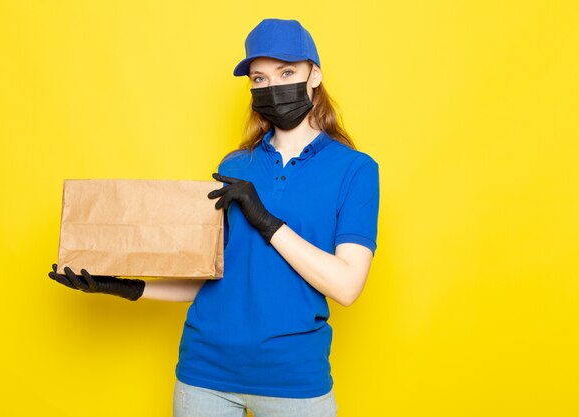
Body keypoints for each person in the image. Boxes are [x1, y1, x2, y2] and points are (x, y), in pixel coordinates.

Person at [48, 18, 379, 417]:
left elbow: (346, 286)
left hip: (293, 381)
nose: (271, 87)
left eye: (286, 72)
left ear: (314, 75)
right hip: (204, 375)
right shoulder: (236, 165)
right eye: (259, 78)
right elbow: (210, 273)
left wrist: (267, 221)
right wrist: (126, 287)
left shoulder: (355, 169)